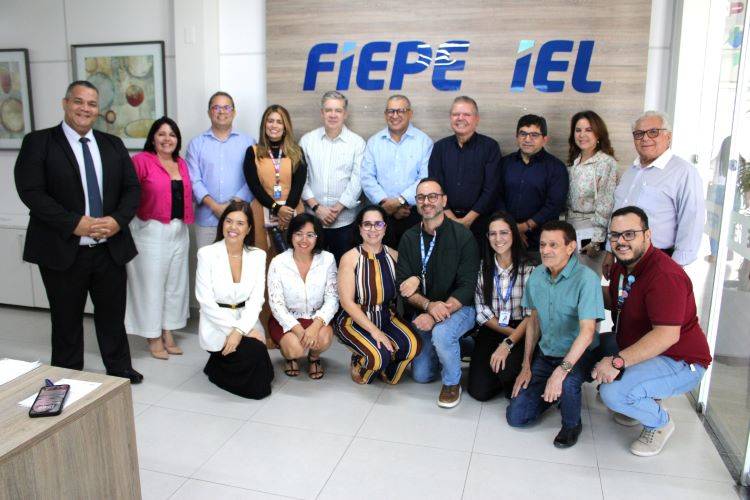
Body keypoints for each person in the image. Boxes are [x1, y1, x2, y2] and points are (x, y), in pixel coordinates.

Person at [14, 80, 142, 383]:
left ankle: (119, 368)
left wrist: (118, 221)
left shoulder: (112, 144)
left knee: (112, 315)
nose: (85, 108)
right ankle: (66, 373)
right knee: (66, 318)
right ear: (65, 103)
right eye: (78, 101)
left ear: (98, 110)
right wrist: (74, 223)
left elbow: (132, 189)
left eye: (92, 104)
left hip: (109, 248)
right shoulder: (39, 142)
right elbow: (31, 191)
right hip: (62, 248)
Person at [593, 206, 712, 456]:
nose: (620, 241)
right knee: (589, 347)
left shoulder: (665, 275)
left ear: (647, 235)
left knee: (612, 393)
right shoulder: (624, 266)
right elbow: (615, 299)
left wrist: (616, 362)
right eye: (615, 235)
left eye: (629, 234)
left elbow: (666, 335)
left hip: (679, 359)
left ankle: (659, 423)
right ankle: (637, 398)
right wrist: (578, 289)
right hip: (636, 345)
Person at [507, 221, 604, 448]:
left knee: (568, 382)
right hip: (547, 352)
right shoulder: (537, 276)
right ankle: (554, 393)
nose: (546, 250)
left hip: (579, 354)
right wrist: (526, 364)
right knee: (516, 416)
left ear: (570, 247)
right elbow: (533, 321)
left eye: (553, 245)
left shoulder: (587, 279)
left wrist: (560, 372)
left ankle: (572, 424)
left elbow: (588, 333)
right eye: (542, 245)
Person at [397, 178, 479, 408]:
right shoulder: (409, 238)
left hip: (460, 307)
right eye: (421, 197)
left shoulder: (463, 236)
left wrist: (435, 315)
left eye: (432, 196)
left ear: (444, 200)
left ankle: (452, 383)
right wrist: (428, 306)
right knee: (422, 375)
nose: (427, 202)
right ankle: (461, 346)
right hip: (424, 310)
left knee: (442, 334)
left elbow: (467, 286)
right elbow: (404, 285)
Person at [603, 110, 705, 276]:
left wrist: (674, 267)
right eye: (639, 134)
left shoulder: (684, 172)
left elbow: (692, 222)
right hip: (623, 257)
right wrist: (609, 251)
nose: (645, 138)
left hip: (659, 261)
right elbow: (618, 213)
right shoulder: (631, 171)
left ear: (668, 136)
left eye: (653, 132)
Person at [125, 117, 193, 359]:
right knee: (151, 287)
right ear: (152, 138)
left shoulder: (181, 163)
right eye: (161, 134)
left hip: (179, 230)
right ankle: (152, 336)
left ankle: (168, 331)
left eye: (172, 134)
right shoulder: (141, 161)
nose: (167, 139)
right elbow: (127, 193)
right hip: (150, 231)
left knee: (175, 286)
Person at [335, 205, 422, 384]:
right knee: (378, 357)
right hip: (354, 319)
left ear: (385, 228)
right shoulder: (349, 258)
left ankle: (386, 367)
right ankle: (360, 362)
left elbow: (415, 276)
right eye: (367, 224)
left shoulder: (395, 255)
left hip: (386, 315)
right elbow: (346, 302)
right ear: (360, 228)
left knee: (413, 345)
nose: (373, 229)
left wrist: (416, 279)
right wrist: (375, 332)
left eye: (378, 224)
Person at [195, 201, 273, 399]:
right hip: (217, 322)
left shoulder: (258, 255)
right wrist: (233, 331)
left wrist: (240, 331)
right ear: (222, 224)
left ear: (249, 229)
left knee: (264, 369)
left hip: (245, 318)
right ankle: (216, 366)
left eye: (240, 223)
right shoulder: (207, 254)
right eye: (228, 221)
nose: (233, 227)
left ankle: (215, 365)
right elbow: (206, 302)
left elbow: (256, 300)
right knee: (258, 380)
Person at [468, 212, 535, 401]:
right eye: (493, 234)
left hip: (523, 328)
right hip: (494, 327)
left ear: (514, 234)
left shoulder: (530, 268)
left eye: (504, 233)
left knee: (509, 377)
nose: (498, 239)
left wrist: (511, 341)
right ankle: (497, 374)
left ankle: (506, 374)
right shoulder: (482, 268)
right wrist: (508, 335)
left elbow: (531, 316)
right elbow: (482, 312)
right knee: (479, 392)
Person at [267, 213, 338, 379]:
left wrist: (315, 326)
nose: (304, 240)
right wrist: (299, 331)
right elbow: (276, 304)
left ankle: (314, 358)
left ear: (317, 237)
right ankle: (290, 357)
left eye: (310, 235)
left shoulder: (327, 259)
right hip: (287, 318)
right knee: (295, 349)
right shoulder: (278, 262)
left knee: (324, 337)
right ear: (291, 235)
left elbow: (333, 298)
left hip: (316, 317)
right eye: (298, 234)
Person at [300, 91, 365, 262]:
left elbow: (357, 180)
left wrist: (337, 208)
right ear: (322, 113)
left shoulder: (357, 143)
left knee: (344, 269)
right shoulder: (307, 141)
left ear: (345, 114)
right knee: (312, 268)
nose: (333, 115)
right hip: (312, 220)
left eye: (338, 110)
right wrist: (317, 208)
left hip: (345, 222)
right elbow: (301, 180)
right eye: (328, 110)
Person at [361, 95, 433, 247]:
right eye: (391, 111)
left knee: (413, 258)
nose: (395, 115)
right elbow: (367, 178)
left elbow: (425, 178)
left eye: (400, 111)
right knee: (382, 258)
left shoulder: (424, 142)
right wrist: (386, 204)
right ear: (385, 114)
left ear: (410, 113)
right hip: (380, 214)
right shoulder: (374, 142)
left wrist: (400, 201)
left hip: (413, 213)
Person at [187, 91, 255, 249]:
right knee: (207, 263)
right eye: (216, 107)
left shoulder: (249, 143)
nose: (222, 111)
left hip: (239, 219)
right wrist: (215, 207)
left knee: (237, 263)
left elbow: (253, 179)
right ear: (209, 112)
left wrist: (231, 206)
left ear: (234, 112)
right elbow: (194, 180)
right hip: (207, 221)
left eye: (226, 107)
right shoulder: (196, 144)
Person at [428, 96, 501, 240]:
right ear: (450, 118)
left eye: (466, 114)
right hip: (443, 219)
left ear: (477, 119)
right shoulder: (440, 147)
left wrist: (468, 220)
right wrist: (451, 219)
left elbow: (491, 189)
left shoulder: (490, 147)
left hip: (480, 221)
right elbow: (434, 186)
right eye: (456, 114)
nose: (460, 118)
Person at [498, 114, 569, 257]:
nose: (527, 139)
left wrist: (525, 227)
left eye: (534, 135)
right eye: (523, 134)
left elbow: (554, 204)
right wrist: (512, 228)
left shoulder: (556, 167)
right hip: (505, 236)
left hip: (543, 240)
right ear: (517, 137)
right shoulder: (504, 164)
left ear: (544, 139)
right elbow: (497, 197)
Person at [243, 104, 307, 258]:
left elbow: (298, 185)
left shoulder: (297, 152)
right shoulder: (252, 152)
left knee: (294, 256)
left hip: (292, 210)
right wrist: (277, 209)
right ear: (264, 125)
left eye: (279, 122)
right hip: (261, 211)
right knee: (263, 256)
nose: (274, 125)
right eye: (270, 121)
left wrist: (286, 212)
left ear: (285, 127)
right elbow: (254, 186)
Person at [565, 110, 618, 274]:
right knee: (570, 280)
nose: (582, 135)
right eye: (578, 130)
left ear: (598, 134)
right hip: (570, 229)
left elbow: (606, 203)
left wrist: (597, 241)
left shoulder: (605, 163)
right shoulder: (574, 162)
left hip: (591, 230)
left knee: (586, 280)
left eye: (588, 130)